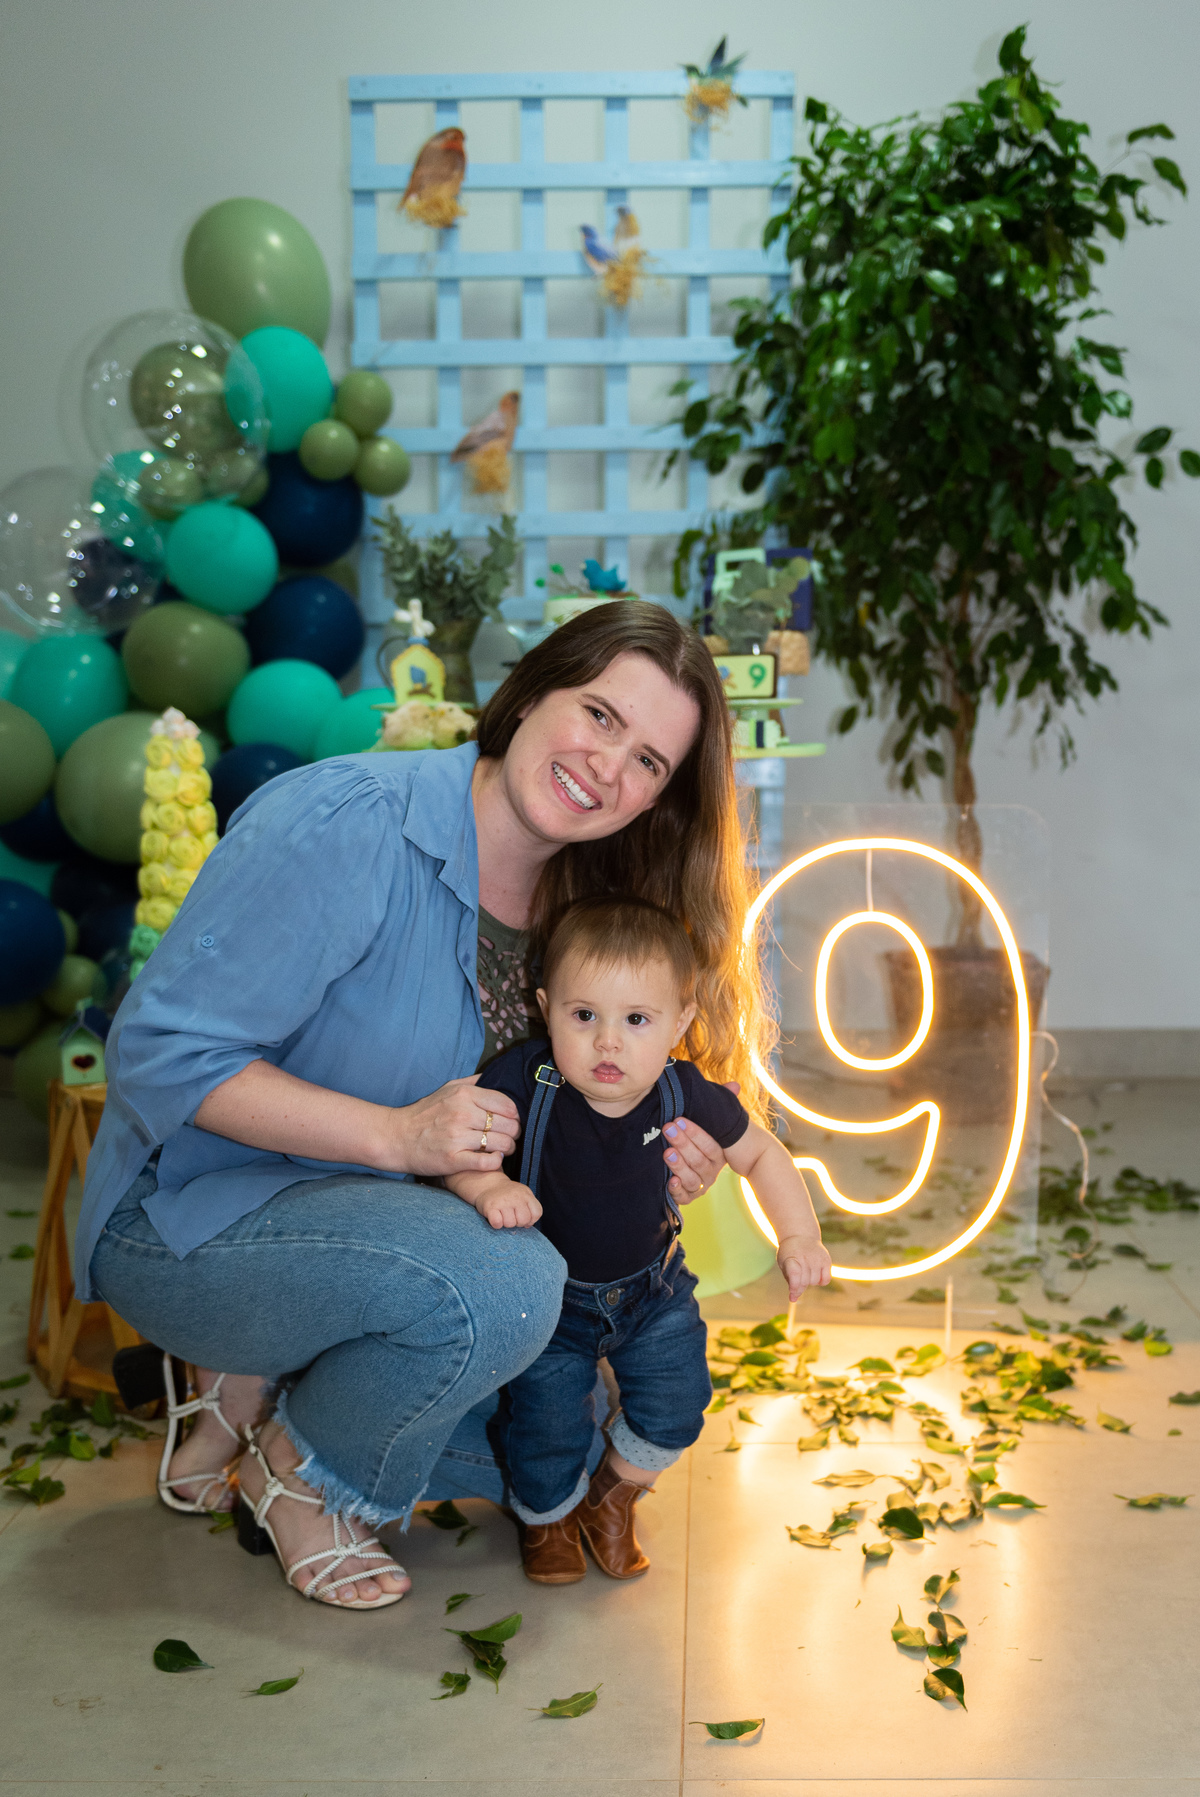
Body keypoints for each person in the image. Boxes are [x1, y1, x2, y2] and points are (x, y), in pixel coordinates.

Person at [77, 601, 775, 1610]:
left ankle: (261, 1381)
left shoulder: (587, 904)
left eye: (649, 762)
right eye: (599, 714)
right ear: (530, 692)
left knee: (574, 1442)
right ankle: (297, 1470)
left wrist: (660, 1155)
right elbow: (156, 1054)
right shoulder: (348, 819)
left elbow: (560, 1121)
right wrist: (398, 1136)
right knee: (510, 1291)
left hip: (393, 1234)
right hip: (196, 1216)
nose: (607, 766)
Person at [445, 895, 832, 1585]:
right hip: (549, 1303)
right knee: (546, 1428)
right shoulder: (526, 1081)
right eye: (583, 1015)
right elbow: (456, 1149)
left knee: (678, 1404)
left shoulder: (685, 1090)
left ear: (679, 1022)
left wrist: (799, 1233)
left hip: (653, 1291)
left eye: (636, 1020)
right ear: (546, 1008)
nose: (608, 1042)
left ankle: (612, 1496)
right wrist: (486, 1187)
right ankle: (548, 1519)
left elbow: (762, 1153)